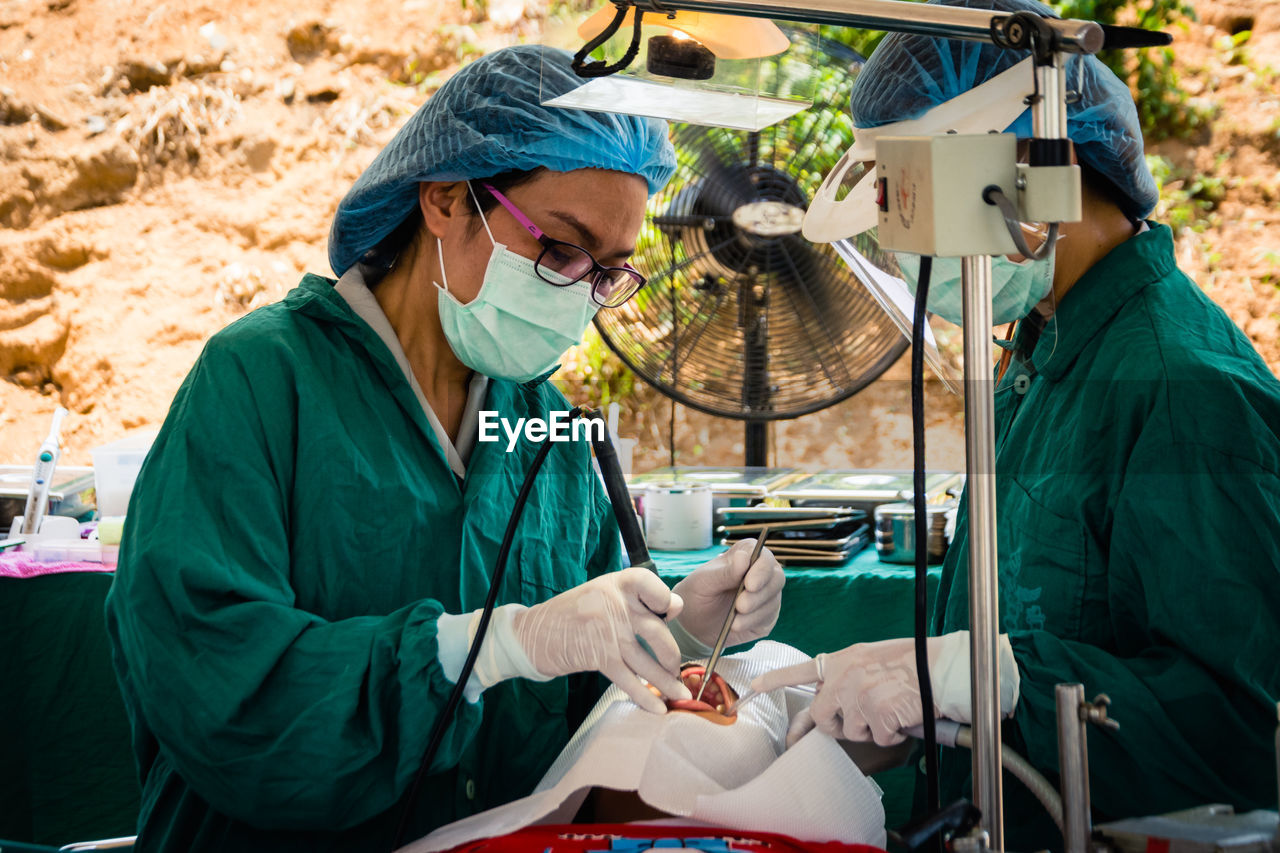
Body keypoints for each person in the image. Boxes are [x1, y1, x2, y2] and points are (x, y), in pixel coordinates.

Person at [103, 45, 784, 853]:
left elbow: (576, 687)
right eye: (559, 249)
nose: (578, 293)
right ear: (444, 199)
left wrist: (675, 629)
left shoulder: (546, 425)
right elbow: (217, 686)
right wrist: (485, 645)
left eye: (606, 272)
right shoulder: (260, 380)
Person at [755, 0, 1280, 846]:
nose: (900, 242)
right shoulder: (1043, 350)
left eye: (911, 199)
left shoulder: (1183, 390)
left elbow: (1233, 727)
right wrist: (934, 702)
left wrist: (998, 683)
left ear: (1029, 175)